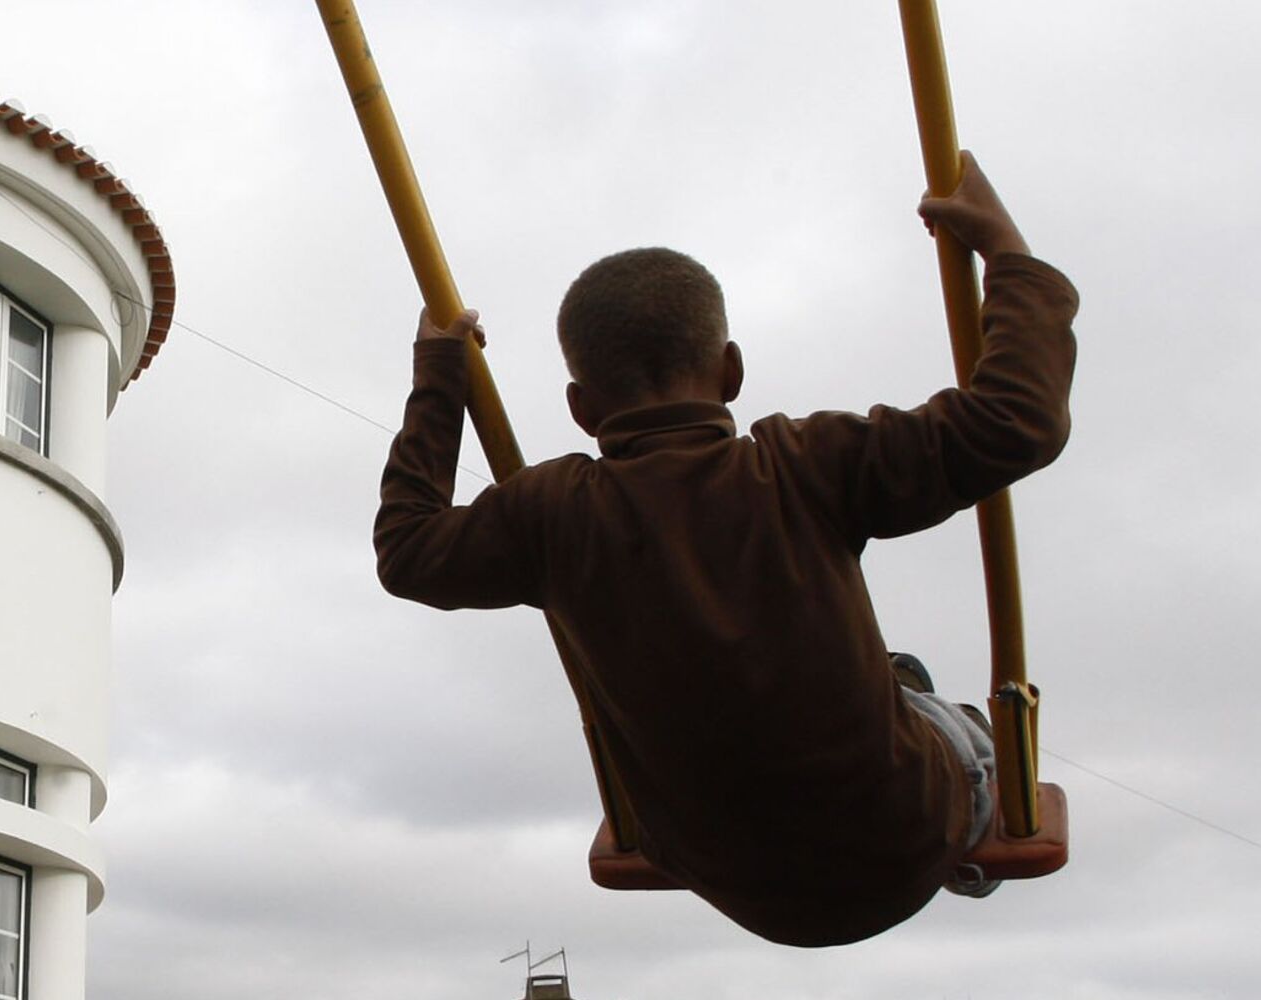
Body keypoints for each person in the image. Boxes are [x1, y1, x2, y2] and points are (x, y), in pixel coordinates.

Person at [374, 152, 1078, 947]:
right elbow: (1019, 419)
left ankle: (901, 693)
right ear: (731, 370)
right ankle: (950, 787)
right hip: (904, 845)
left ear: (580, 409)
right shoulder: (807, 465)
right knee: (962, 728)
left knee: (886, 685)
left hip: (736, 881)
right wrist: (1006, 251)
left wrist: (439, 376)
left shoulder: (551, 514)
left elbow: (406, 549)